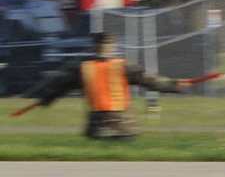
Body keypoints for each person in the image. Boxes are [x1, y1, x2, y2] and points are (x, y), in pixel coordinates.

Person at [22, 30, 188, 138]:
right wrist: (174, 85)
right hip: (123, 125)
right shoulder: (123, 67)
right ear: (111, 46)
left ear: (93, 46)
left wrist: (46, 100)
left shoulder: (83, 68)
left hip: (96, 127)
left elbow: (61, 86)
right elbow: (149, 82)